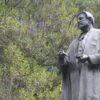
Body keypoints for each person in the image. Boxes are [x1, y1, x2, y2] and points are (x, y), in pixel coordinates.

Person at [58, 11, 100, 100]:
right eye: (77, 19)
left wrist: (89, 58)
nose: (78, 21)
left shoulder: (98, 34)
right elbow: (67, 64)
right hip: (76, 85)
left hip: (92, 80)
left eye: (81, 19)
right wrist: (62, 59)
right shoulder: (74, 42)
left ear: (89, 20)